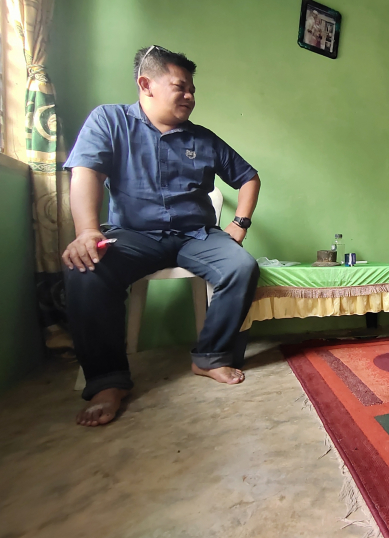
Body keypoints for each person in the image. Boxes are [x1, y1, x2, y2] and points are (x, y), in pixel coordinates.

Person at [62, 45, 262, 427]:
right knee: (86, 268)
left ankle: (210, 357)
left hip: (196, 235)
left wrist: (240, 223)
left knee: (241, 267)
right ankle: (107, 381)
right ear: (146, 84)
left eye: (193, 90)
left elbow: (248, 177)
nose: (190, 96)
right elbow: (86, 173)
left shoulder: (203, 139)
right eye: (180, 87)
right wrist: (87, 231)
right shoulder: (110, 120)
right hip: (133, 236)